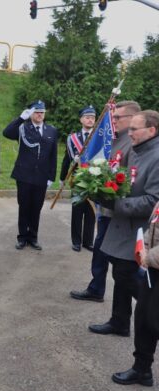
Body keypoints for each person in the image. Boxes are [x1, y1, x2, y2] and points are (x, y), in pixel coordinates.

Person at [89, 110, 159, 336]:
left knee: (131, 278)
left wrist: (117, 203)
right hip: (124, 226)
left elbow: (153, 201)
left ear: (151, 130)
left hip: (139, 231)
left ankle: (150, 317)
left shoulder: (156, 157)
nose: (129, 134)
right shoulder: (139, 151)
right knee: (120, 274)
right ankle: (119, 321)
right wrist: (104, 191)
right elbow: (127, 183)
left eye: (133, 129)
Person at [70, 101, 141, 302]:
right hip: (108, 210)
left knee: (122, 266)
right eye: (113, 116)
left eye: (118, 117)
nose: (113, 121)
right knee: (101, 253)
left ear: (132, 119)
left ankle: (146, 302)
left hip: (120, 212)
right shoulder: (116, 139)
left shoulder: (133, 144)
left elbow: (130, 179)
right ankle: (96, 288)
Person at [112, 199, 159, 387]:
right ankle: (142, 369)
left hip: (154, 262)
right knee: (144, 318)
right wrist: (144, 245)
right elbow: (153, 225)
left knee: (155, 320)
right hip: (154, 270)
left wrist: (150, 256)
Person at [3, 100, 58, 250]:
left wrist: (51, 177)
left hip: (41, 177)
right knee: (24, 206)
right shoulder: (22, 128)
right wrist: (21, 118)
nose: (40, 114)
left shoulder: (51, 131)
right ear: (31, 113)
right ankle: (22, 237)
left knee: (36, 207)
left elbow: (53, 156)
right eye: (36, 112)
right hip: (24, 175)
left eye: (42, 112)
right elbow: (6, 133)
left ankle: (33, 237)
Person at [60, 105, 96, 252]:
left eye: (93, 117)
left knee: (91, 211)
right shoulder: (72, 138)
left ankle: (88, 241)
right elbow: (66, 159)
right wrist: (62, 178)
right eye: (87, 117)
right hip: (78, 178)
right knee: (77, 210)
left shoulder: (97, 136)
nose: (90, 120)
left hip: (95, 178)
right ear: (81, 119)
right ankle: (76, 241)